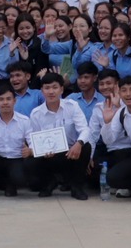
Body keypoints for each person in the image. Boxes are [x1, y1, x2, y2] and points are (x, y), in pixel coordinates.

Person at [25, 70, 90, 199]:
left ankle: (76, 187)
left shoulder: (72, 106)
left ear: (61, 89)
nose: (51, 92)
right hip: (49, 155)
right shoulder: (36, 113)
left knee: (86, 146)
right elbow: (33, 138)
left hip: (70, 153)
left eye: (55, 87)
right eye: (47, 88)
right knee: (29, 162)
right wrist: (40, 150)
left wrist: (79, 143)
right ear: (42, 91)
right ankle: (49, 182)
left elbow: (85, 129)